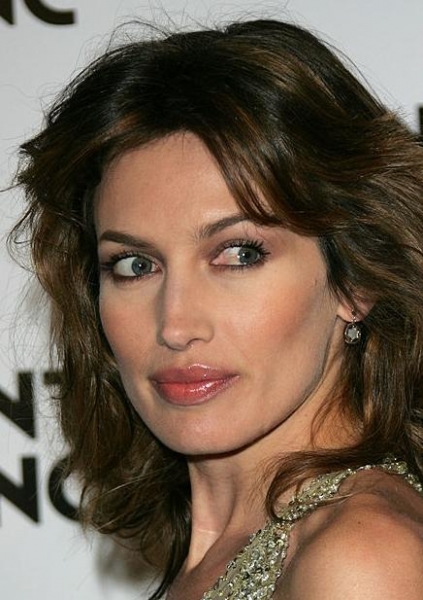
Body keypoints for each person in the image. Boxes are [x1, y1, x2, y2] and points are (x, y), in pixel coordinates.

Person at [10, 18, 423, 599]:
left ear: (355, 278)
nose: (175, 325)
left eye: (239, 255)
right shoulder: (233, 550)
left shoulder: (360, 560)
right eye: (134, 265)